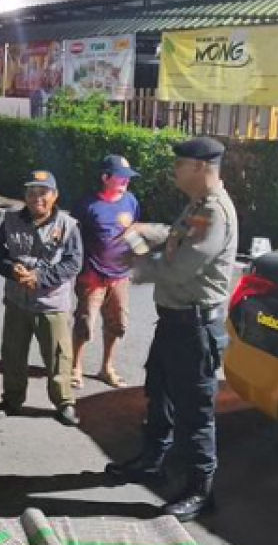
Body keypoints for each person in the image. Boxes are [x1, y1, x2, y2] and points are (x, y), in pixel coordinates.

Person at [104, 137, 238, 523]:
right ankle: (152, 461)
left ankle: (200, 490)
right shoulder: (198, 205)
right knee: (159, 394)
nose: (174, 170)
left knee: (195, 412)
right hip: (175, 323)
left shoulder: (215, 212)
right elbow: (177, 236)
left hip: (194, 328)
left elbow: (178, 269)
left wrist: (136, 252)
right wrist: (146, 231)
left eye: (180, 164)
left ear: (200, 167)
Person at [0, 170, 82, 427]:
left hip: (52, 304)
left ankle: (64, 403)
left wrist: (40, 278)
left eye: (43, 192)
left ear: (55, 195)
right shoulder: (11, 220)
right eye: (31, 192)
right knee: (13, 353)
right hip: (17, 301)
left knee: (58, 356)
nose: (37, 197)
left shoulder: (68, 225)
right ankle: (11, 400)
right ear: (25, 195)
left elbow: (73, 263)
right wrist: (12, 270)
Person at [70, 155, 140, 389]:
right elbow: (73, 240)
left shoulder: (131, 201)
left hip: (120, 276)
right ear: (105, 177)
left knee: (118, 324)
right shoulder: (87, 205)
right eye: (121, 177)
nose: (126, 181)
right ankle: (75, 368)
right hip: (92, 276)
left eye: (128, 177)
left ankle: (106, 368)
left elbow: (133, 231)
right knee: (84, 323)